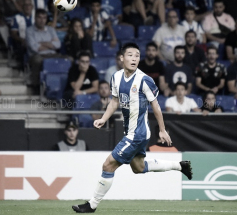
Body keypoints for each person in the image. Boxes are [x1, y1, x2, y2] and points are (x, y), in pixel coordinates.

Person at [71, 42, 193, 213]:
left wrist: (163, 129)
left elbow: (156, 106)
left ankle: (92, 204)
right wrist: (103, 118)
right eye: (130, 55)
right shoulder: (116, 77)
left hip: (138, 133)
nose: (134, 58)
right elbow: (114, 101)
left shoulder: (144, 80)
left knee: (108, 165)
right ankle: (180, 166)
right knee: (139, 168)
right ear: (121, 58)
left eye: (137, 55)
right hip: (130, 131)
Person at [26, 9, 62, 92]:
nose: (42, 21)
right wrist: (50, 45)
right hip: (37, 56)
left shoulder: (51, 30)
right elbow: (34, 48)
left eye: (44, 18)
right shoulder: (29, 30)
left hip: (52, 54)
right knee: (37, 60)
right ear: (35, 18)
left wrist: (41, 43)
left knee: (69, 59)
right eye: (39, 18)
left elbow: (58, 45)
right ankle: (36, 86)